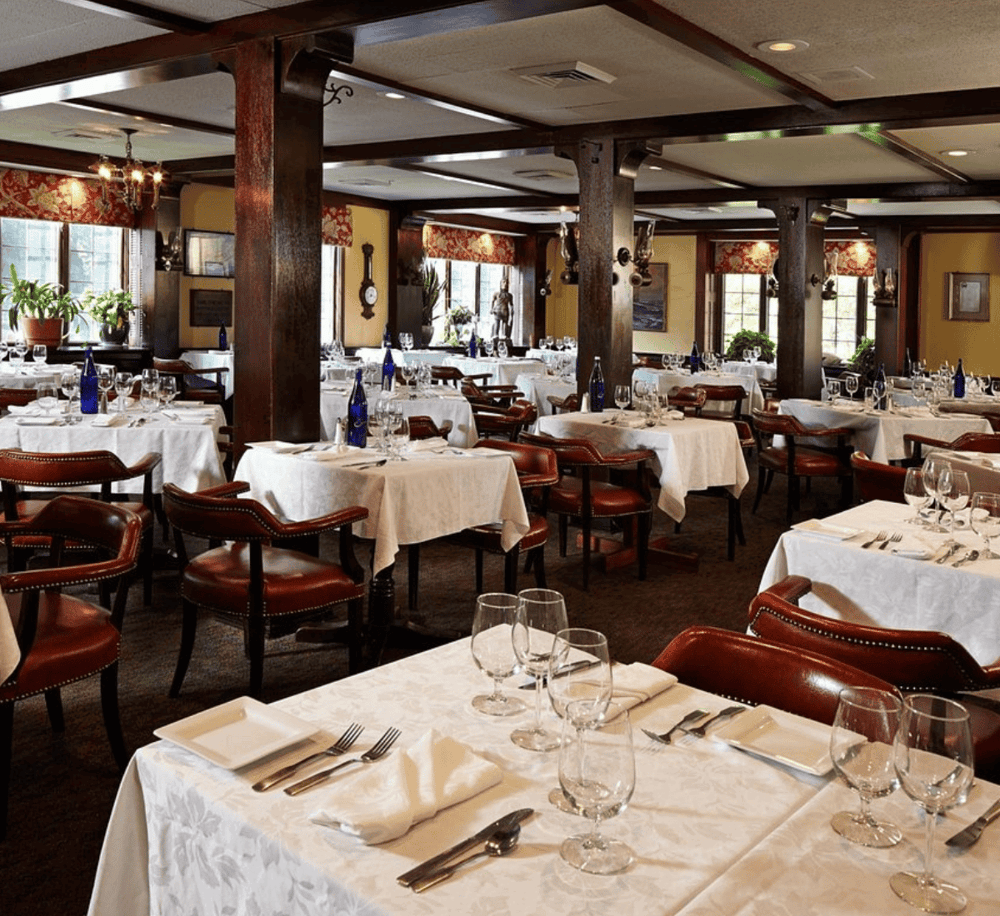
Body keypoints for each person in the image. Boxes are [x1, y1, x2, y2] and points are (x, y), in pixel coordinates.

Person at [490, 275, 513, 343]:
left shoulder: (509, 295)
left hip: (505, 312)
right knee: (497, 324)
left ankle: (504, 335)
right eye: (503, 282)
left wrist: (512, 312)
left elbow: (511, 305)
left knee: (505, 325)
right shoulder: (497, 293)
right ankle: (495, 335)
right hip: (497, 311)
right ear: (501, 283)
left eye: (506, 282)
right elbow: (492, 301)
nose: (505, 284)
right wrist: (491, 309)